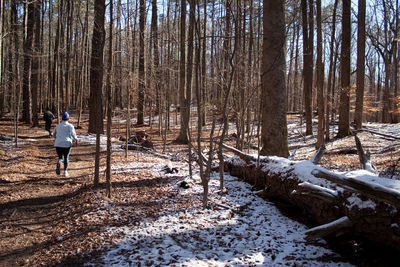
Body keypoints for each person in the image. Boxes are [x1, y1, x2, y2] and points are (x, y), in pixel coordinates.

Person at [53, 112, 79, 177]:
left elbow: (54, 135)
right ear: (68, 118)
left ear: (62, 118)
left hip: (58, 143)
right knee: (66, 157)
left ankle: (59, 161)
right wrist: (76, 140)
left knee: (60, 157)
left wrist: (58, 138)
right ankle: (65, 171)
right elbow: (73, 134)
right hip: (67, 143)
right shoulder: (70, 126)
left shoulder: (58, 125)